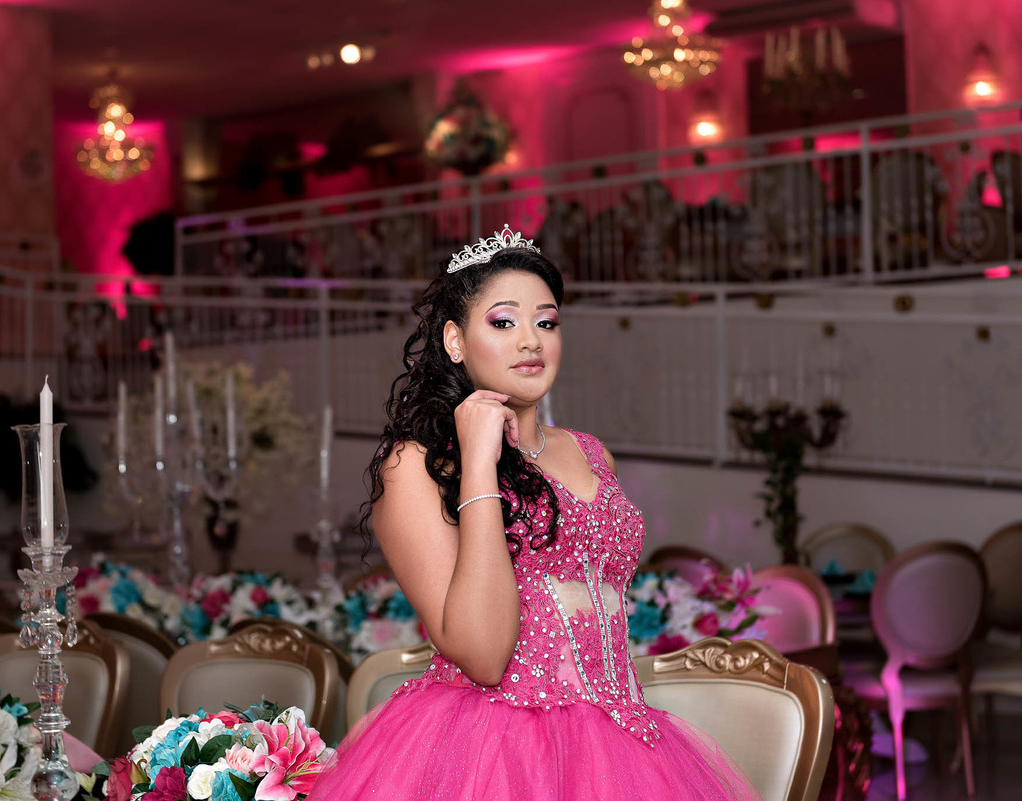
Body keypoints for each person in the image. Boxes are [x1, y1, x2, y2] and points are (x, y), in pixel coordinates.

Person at [309, 226, 758, 799]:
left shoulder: (591, 452)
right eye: (503, 322)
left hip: (628, 744)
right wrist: (477, 460)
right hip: (487, 750)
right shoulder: (418, 465)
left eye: (546, 323)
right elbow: (482, 655)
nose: (531, 342)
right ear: (454, 341)